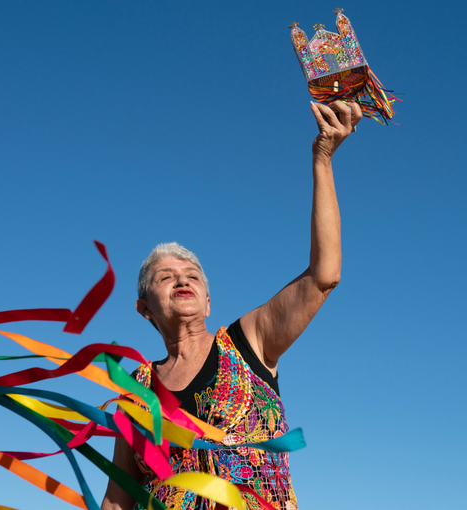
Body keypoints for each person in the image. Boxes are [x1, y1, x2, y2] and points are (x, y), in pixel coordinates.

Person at [101, 100, 362, 510]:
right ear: (144, 308)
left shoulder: (249, 343)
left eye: (192, 274)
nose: (181, 278)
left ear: (208, 301)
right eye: (164, 277)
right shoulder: (135, 392)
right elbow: (118, 500)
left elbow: (323, 275)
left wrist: (323, 158)